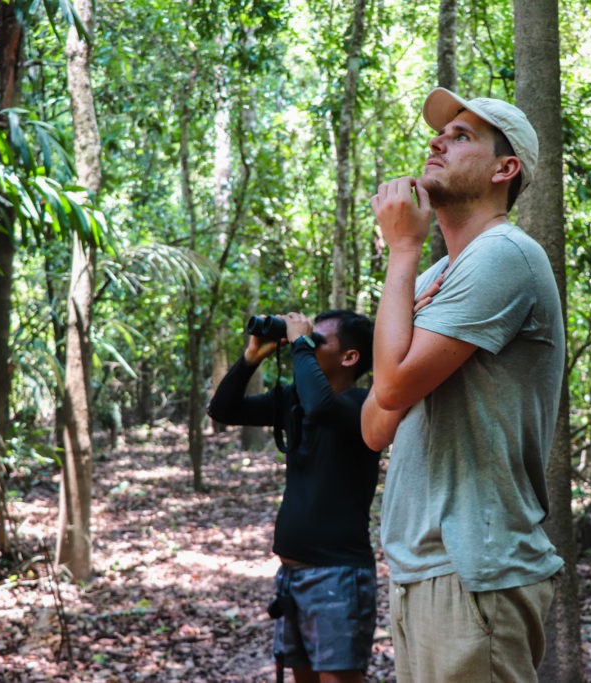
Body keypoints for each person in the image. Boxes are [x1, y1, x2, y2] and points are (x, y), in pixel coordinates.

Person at [361, 87, 566, 682]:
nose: (437, 141)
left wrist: (400, 249)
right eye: (440, 132)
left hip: (475, 569)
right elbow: (375, 428)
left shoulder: (505, 253)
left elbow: (392, 388)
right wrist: (410, 267)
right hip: (420, 568)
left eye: (461, 136)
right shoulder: (435, 274)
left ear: (506, 169)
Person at [208, 310, 380, 683]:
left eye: (317, 341)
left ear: (349, 357)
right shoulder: (295, 401)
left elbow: (323, 408)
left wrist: (300, 345)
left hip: (339, 575)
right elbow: (222, 410)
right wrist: (252, 357)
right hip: (292, 574)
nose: (304, 344)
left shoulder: (364, 405)